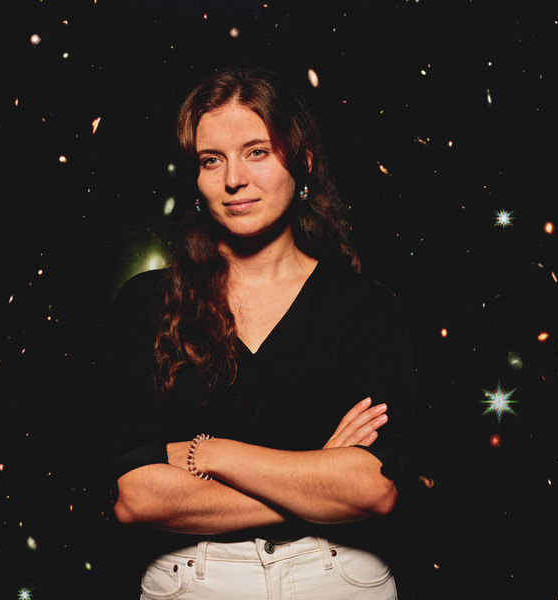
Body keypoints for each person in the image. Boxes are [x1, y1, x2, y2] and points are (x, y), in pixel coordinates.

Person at [102, 66, 415, 599]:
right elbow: (138, 497)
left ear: (303, 160)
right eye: (211, 160)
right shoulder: (147, 304)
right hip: (193, 582)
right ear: (195, 178)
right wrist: (315, 475)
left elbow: (372, 491)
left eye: (257, 152)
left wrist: (212, 454)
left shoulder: (364, 307)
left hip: (339, 579)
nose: (233, 180)